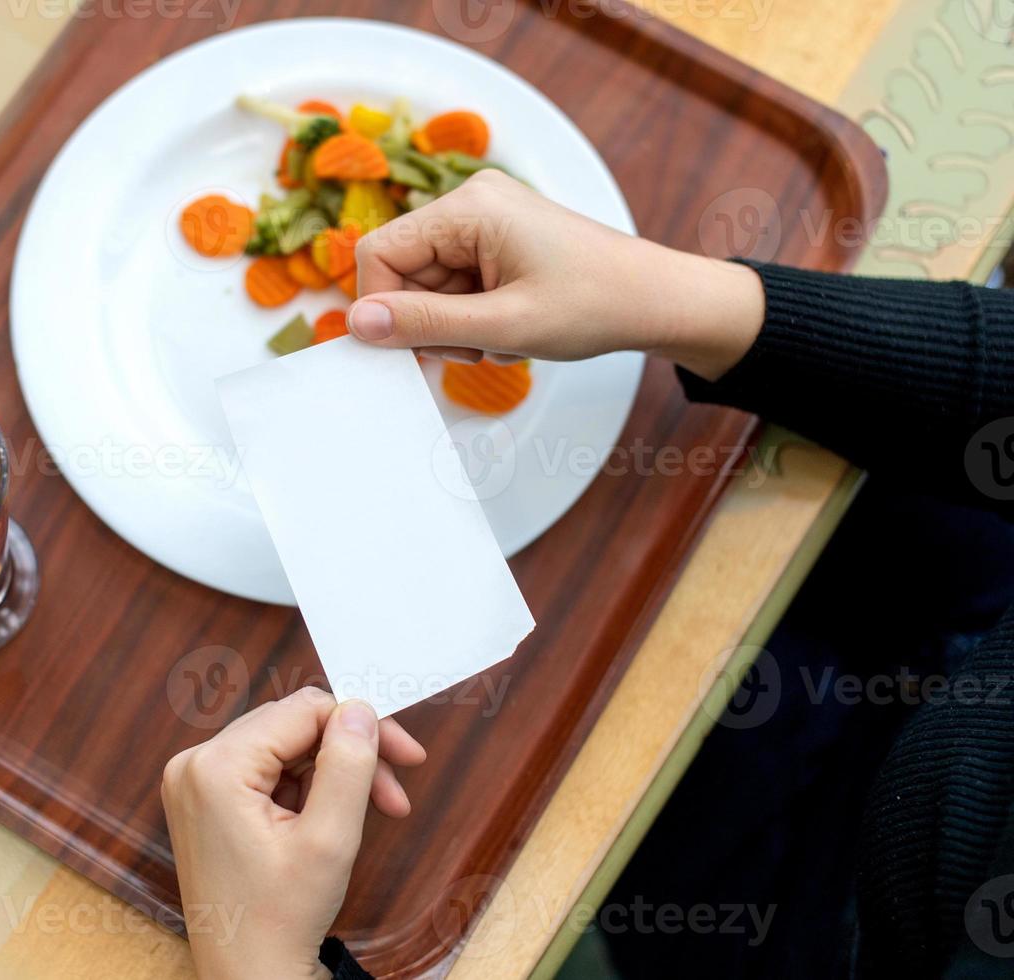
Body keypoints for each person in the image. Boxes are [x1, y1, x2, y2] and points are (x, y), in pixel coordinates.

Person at [162, 170, 1014, 979]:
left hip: (836, 911)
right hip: (980, 602)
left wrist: (261, 962)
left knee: (572, 720)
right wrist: (683, 298)